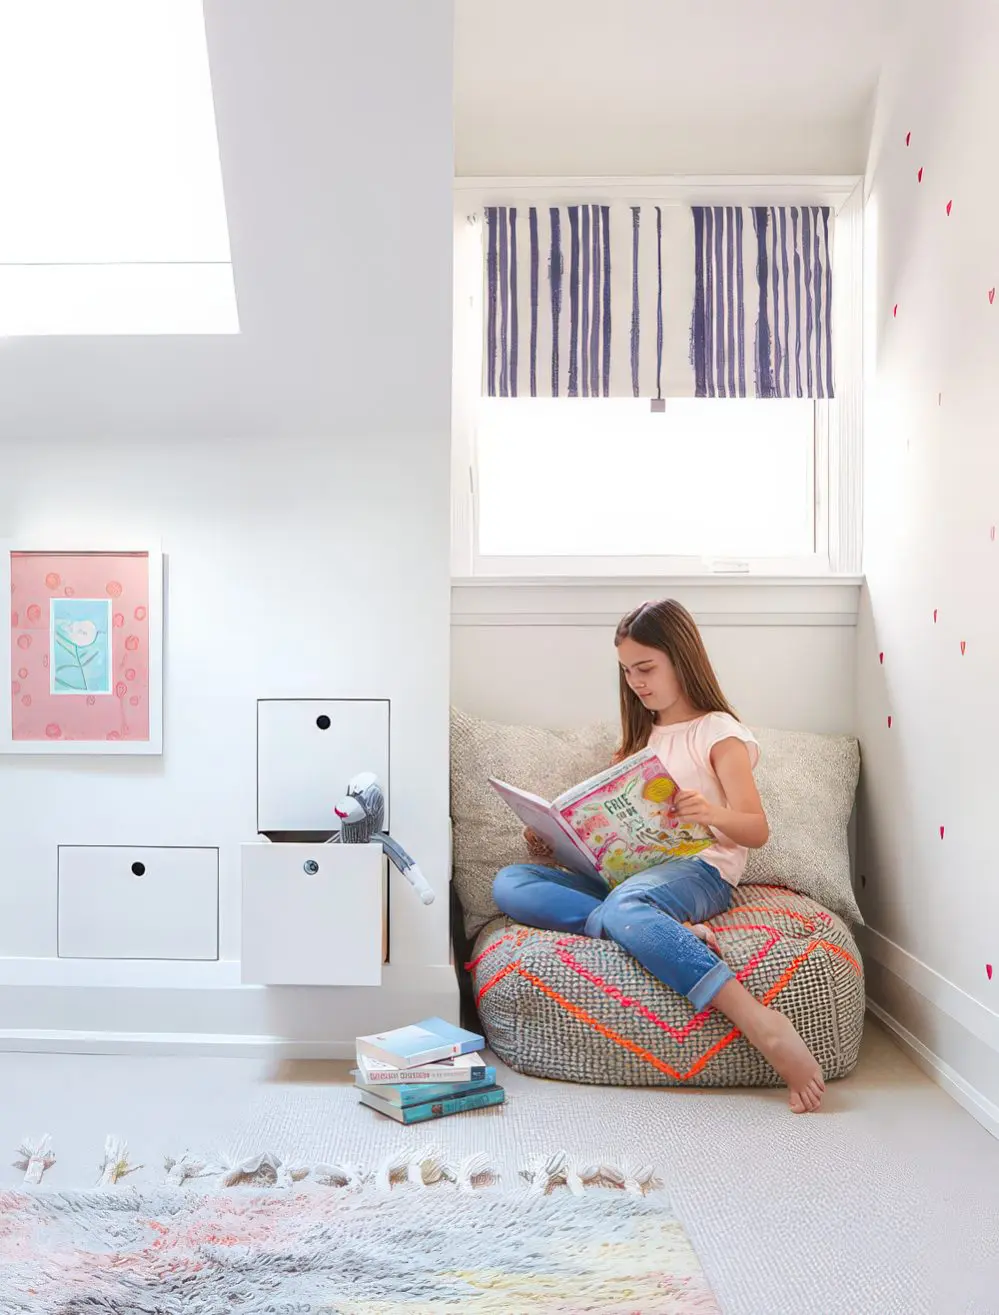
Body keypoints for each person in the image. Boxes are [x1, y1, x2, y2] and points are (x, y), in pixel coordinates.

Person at [492, 598, 826, 1114]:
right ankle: (655, 928)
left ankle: (761, 1023)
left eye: (646, 668)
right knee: (511, 883)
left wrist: (709, 812)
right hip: (629, 880)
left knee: (628, 905)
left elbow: (756, 829)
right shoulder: (638, 743)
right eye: (627, 672)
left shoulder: (719, 733)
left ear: (681, 658)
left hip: (701, 872)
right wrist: (554, 842)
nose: (636, 682)